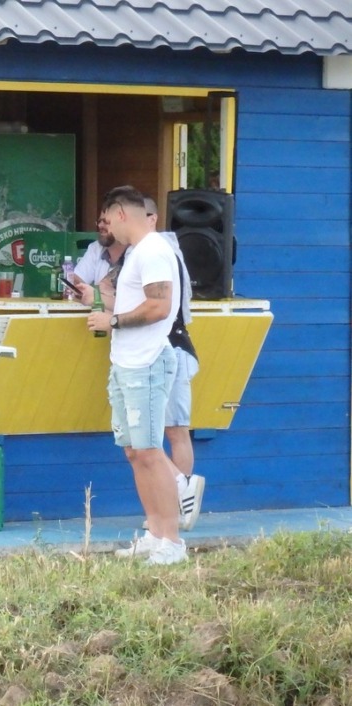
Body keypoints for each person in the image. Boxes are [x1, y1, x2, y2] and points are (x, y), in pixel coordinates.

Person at [86, 185, 186, 565]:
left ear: (121, 214)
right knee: (134, 452)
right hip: (126, 363)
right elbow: (136, 301)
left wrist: (111, 321)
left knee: (150, 452)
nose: (107, 227)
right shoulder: (138, 253)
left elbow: (159, 307)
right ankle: (154, 532)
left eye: (108, 219)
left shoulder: (154, 250)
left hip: (147, 363)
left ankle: (172, 541)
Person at [145, 197, 205, 530]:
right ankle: (176, 504)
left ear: (150, 218)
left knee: (172, 430)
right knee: (164, 432)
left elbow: (157, 307)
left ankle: (180, 500)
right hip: (167, 349)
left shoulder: (160, 253)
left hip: (170, 348)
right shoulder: (156, 250)